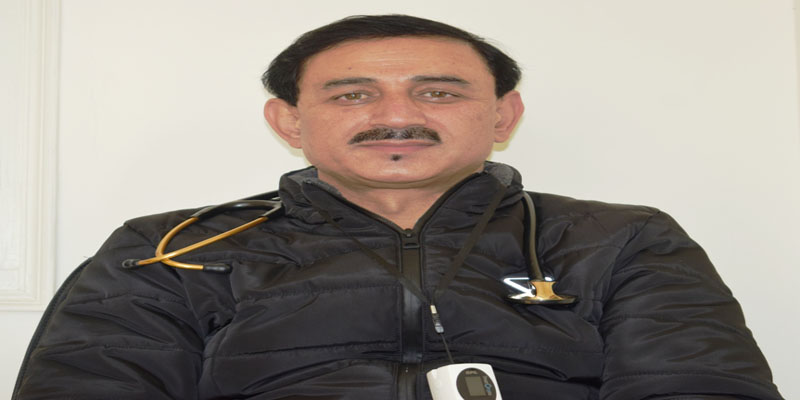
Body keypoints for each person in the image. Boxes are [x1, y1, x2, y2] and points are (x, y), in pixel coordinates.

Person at [14, 14, 783, 400]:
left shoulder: (620, 238)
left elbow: (701, 389)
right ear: (290, 121)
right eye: (353, 95)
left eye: (438, 92)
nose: (397, 116)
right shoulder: (170, 246)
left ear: (503, 115)